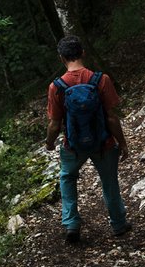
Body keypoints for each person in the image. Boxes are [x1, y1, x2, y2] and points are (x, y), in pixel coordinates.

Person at [45, 35, 131, 243]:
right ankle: (119, 224)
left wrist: (49, 143)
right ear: (83, 53)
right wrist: (123, 142)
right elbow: (111, 117)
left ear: (61, 58)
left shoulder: (56, 87)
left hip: (73, 147)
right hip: (104, 144)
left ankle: (72, 223)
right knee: (109, 181)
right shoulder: (101, 80)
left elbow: (55, 124)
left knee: (67, 177)